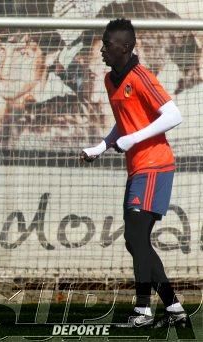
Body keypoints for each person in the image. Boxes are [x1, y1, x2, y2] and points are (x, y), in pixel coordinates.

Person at [80, 19, 188, 328]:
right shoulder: (110, 80)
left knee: (136, 237)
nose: (102, 49)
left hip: (156, 166)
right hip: (137, 167)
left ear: (126, 48)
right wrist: (101, 147)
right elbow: (125, 122)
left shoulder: (142, 77)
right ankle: (174, 308)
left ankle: (143, 311)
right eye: (102, 42)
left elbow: (173, 114)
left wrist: (134, 139)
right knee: (134, 241)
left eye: (108, 44)